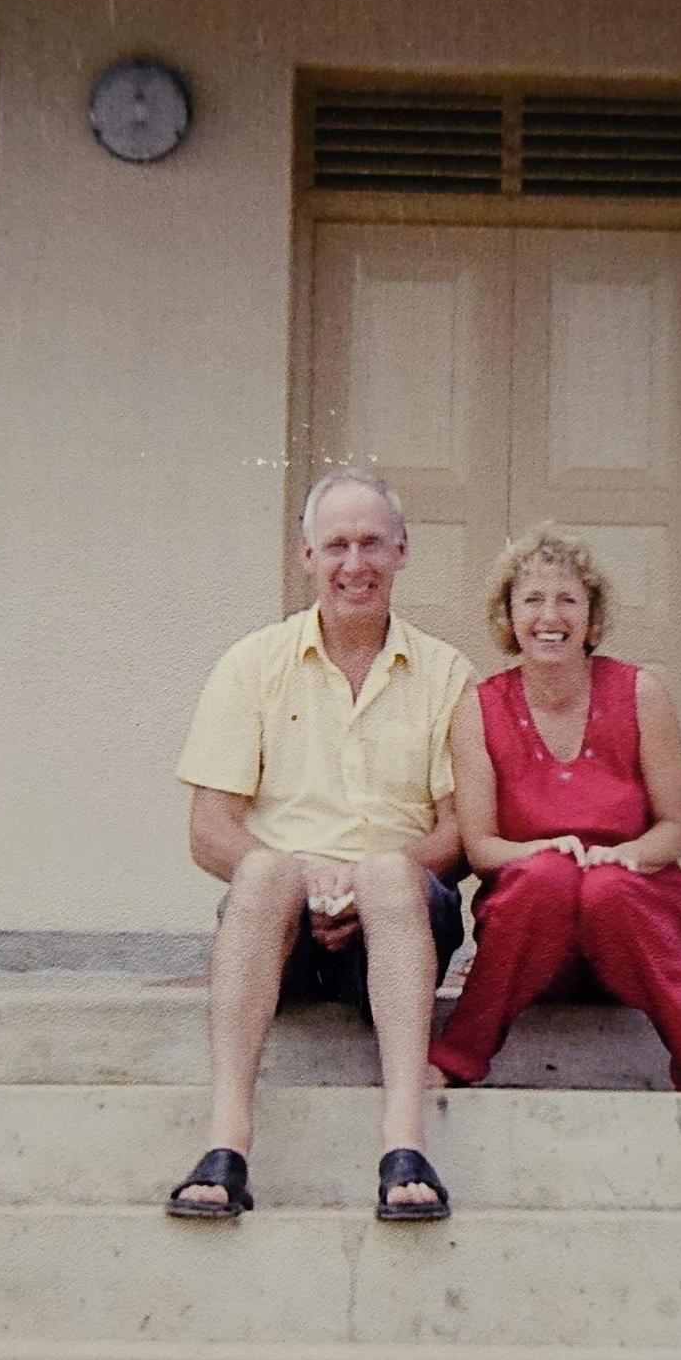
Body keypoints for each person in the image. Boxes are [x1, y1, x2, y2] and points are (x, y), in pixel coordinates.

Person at [167, 468, 473, 1222]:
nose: (354, 563)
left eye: (372, 543)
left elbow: (462, 831)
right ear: (306, 555)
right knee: (263, 870)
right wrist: (309, 883)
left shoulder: (447, 674)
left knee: (391, 875)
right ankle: (227, 1145)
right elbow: (210, 830)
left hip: (401, 924)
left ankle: (405, 1145)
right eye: (336, 544)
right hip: (284, 926)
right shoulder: (252, 666)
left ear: (403, 552)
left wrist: (370, 883)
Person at [427, 526, 681, 1095]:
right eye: (531, 600)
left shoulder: (641, 693)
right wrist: (544, 854)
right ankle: (458, 1058)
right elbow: (481, 846)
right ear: (508, 617)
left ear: (592, 615)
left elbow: (674, 830)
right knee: (547, 878)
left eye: (567, 599)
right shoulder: (478, 707)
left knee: (607, 888)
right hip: (533, 942)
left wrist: (623, 857)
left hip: (632, 928)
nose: (549, 616)